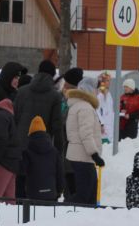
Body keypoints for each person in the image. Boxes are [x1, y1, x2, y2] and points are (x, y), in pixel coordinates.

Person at [13, 60, 64, 164]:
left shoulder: (21, 91)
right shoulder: (55, 96)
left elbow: (15, 119)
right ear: (53, 75)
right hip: (43, 147)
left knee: (21, 178)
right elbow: (57, 127)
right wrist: (59, 152)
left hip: (21, 146)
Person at [65, 77, 104, 206]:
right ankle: (63, 214)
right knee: (84, 196)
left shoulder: (78, 105)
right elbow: (86, 133)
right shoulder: (85, 107)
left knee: (89, 194)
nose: (98, 92)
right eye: (96, 89)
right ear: (90, 89)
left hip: (80, 156)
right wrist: (94, 154)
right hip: (83, 157)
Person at [22, 116, 64, 202]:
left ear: (30, 133)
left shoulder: (27, 152)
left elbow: (22, 173)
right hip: (51, 194)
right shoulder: (54, 151)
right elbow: (60, 173)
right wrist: (59, 190)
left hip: (33, 195)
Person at [58, 67, 83, 200]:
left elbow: (64, 121)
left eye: (65, 83)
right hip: (68, 151)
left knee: (70, 182)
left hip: (70, 150)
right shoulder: (66, 98)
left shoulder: (74, 101)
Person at [96, 71, 114, 144]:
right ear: (102, 81)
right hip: (103, 128)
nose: (109, 82)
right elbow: (96, 110)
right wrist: (101, 124)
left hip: (109, 125)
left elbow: (109, 110)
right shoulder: (100, 94)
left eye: (110, 80)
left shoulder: (108, 93)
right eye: (107, 80)